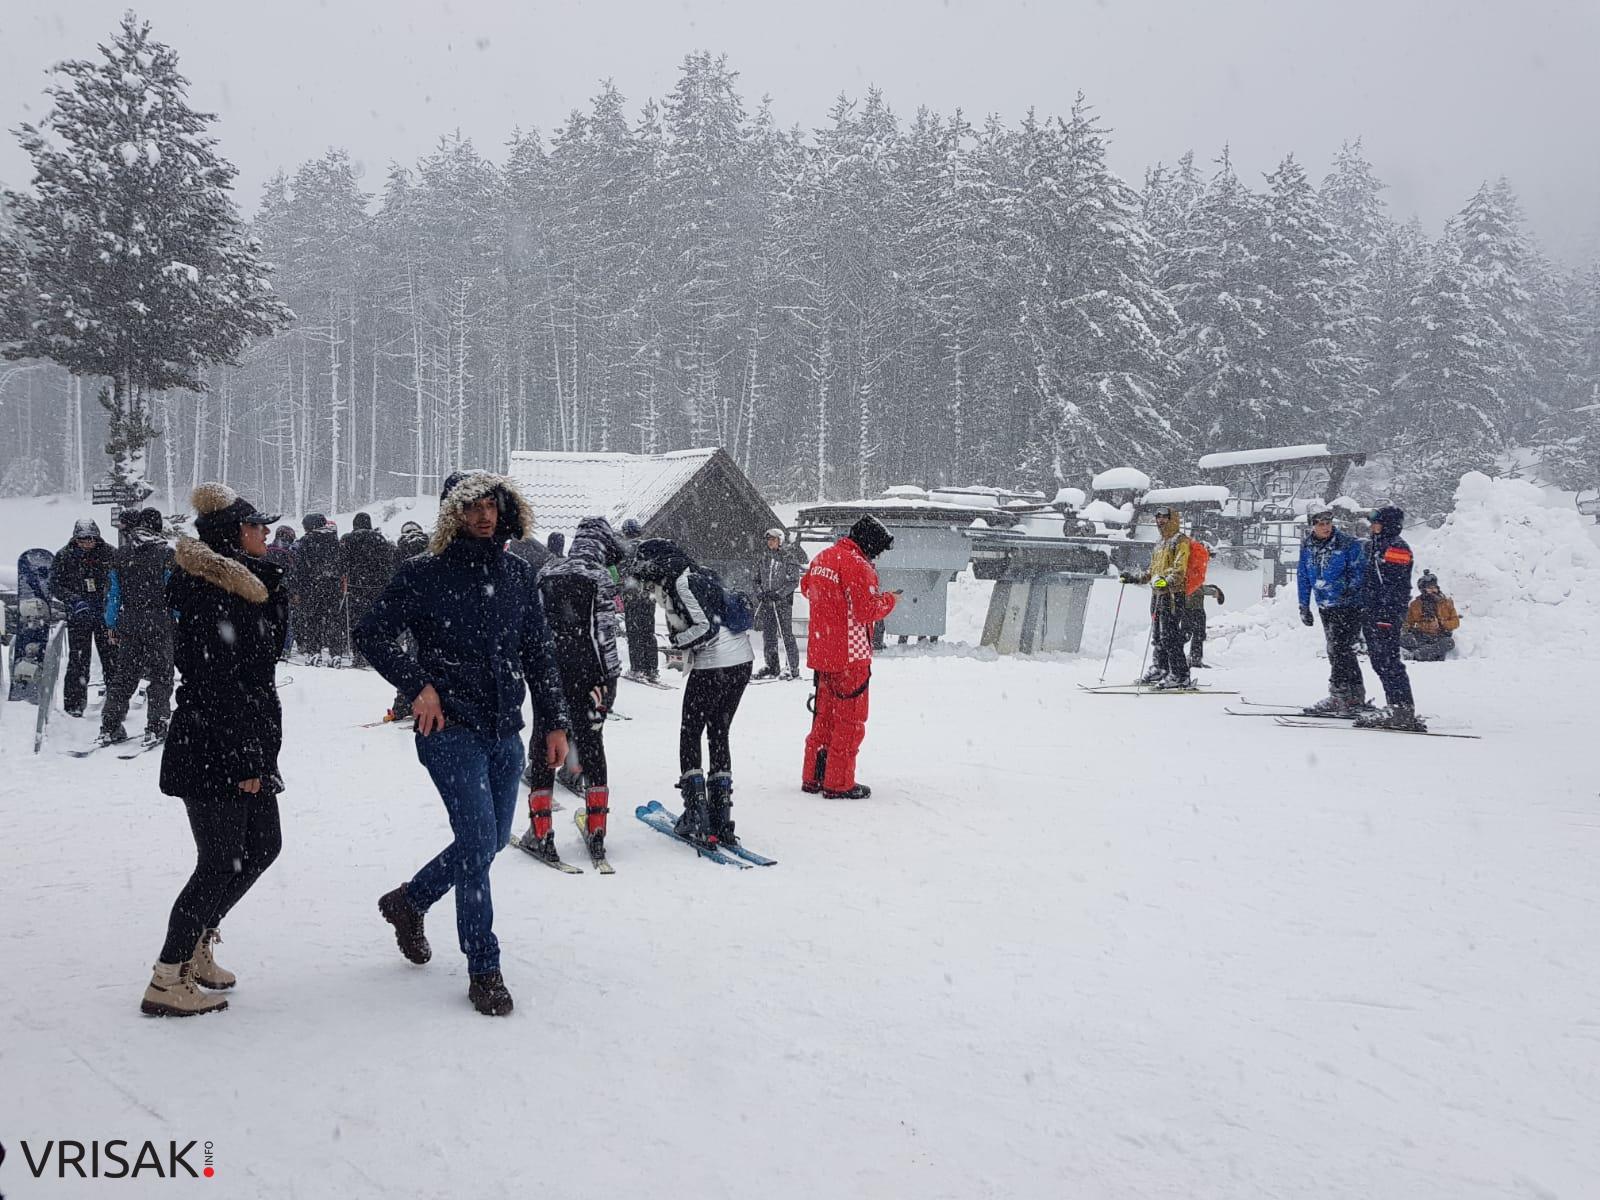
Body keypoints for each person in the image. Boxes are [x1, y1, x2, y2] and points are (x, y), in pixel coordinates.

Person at [354, 470, 570, 1017]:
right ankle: (484, 967)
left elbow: (539, 653)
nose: (483, 516)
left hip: (504, 729)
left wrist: (555, 722)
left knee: (493, 840)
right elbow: (371, 632)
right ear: (452, 512)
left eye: (491, 505)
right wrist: (416, 685)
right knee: (477, 842)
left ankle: (410, 900)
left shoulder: (518, 573)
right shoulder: (423, 574)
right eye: (470, 506)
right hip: (448, 729)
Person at [140, 483, 287, 1017]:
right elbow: (218, 683)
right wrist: (246, 757)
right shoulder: (209, 592)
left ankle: (200, 940)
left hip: (242, 742)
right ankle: (166, 978)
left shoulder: (244, 586)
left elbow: (257, 668)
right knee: (219, 861)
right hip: (214, 745)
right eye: (257, 527)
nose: (266, 534)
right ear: (231, 535)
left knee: (263, 845)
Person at [515, 516, 629, 868]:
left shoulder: (547, 572)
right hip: (589, 674)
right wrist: (609, 680)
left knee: (544, 744)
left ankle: (542, 830)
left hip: (549, 674)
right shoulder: (599, 578)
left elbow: (531, 628)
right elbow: (604, 633)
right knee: (592, 745)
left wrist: (530, 670)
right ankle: (596, 829)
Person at [628, 538, 754, 843]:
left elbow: (705, 628)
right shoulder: (696, 574)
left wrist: (675, 644)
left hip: (716, 664)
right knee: (718, 731)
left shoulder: (682, 582)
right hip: (740, 660)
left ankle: (697, 814)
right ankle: (721, 817)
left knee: (690, 731)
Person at [799, 515, 900, 799]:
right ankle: (838, 782)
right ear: (869, 544)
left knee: (823, 719)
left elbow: (807, 588)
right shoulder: (858, 566)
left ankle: (813, 777)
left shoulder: (822, 557)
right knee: (849, 722)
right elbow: (866, 611)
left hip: (821, 652)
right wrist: (889, 600)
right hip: (851, 656)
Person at [99, 507, 176, 747]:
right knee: (161, 676)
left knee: (125, 675)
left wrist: (111, 623)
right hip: (159, 622)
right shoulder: (166, 554)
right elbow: (172, 592)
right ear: (159, 527)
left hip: (129, 621)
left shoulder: (121, 555)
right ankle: (156, 726)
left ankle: (110, 725)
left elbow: (113, 594)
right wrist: (178, 618)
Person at [1353, 505, 1425, 731]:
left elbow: (1392, 584)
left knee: (1388, 661)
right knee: (1379, 660)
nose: (1372, 525)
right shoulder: (1378, 544)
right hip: (1374, 610)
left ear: (1389, 524)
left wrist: (1383, 610)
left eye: (1377, 522)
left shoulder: (1396, 547)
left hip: (1385, 612)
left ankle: (1401, 708)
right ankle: (1397, 706)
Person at [1297, 508, 1369, 715]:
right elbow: (1303, 576)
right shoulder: (1308, 546)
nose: (1325, 527)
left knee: (1339, 649)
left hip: (1348, 604)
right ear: (1313, 526)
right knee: (1339, 650)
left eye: (1328, 523)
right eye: (1320, 524)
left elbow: (1359, 570)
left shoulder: (1346, 543)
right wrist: (1304, 605)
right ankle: (1355, 693)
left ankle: (1339, 695)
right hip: (1325, 604)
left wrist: (1349, 589)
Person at [1118, 506, 1192, 689]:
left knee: (1171, 635)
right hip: (1158, 594)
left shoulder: (1180, 541)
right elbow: (1153, 572)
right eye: (1158, 518)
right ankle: (1161, 668)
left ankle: (1180, 674)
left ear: (1172, 519)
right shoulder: (1160, 543)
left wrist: (1166, 582)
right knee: (1158, 635)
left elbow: (1180, 570)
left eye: (1164, 518)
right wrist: (1135, 578)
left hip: (1173, 595)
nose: (1160, 521)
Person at [51, 517, 118, 717]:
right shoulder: (64, 556)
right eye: (83, 539)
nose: (87, 543)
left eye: (91, 538)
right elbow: (55, 584)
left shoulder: (110, 554)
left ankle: (116, 701)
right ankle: (74, 705)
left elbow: (119, 582)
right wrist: (74, 600)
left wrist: (109, 603)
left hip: (105, 615)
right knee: (78, 660)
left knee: (112, 658)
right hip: (79, 616)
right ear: (75, 538)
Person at [384, 520, 434, 721]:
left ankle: (404, 704)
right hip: (434, 612)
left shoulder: (400, 550)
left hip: (410, 611)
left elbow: (393, 578)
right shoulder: (432, 548)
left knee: (412, 659)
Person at [338, 512, 395, 668]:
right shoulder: (380, 539)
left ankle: (358, 654)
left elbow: (342, 563)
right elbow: (388, 563)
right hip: (377, 587)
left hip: (356, 587)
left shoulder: (348, 539)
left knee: (356, 621)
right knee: (374, 621)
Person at [753, 527, 808, 680]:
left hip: (782, 603)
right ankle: (772, 666)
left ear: (780, 541)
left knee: (786, 635)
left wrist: (779, 594)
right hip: (767, 603)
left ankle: (792, 667)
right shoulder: (764, 558)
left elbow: (793, 581)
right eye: (769, 540)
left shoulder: (788, 557)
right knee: (768, 635)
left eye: (774, 539)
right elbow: (756, 579)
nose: (771, 542)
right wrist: (760, 592)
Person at [291, 513, 345, 664]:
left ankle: (315, 651)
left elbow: (299, 568)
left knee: (313, 618)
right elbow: (342, 565)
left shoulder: (306, 541)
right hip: (333, 586)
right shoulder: (335, 541)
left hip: (311, 586)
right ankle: (336, 653)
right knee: (333, 619)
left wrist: (297, 590)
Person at [618, 517, 660, 683]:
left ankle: (637, 668)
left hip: (632, 596)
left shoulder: (625, 549)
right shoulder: (649, 548)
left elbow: (621, 573)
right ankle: (652, 669)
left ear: (625, 532)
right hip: (649, 596)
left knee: (634, 632)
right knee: (648, 632)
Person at [1180, 534, 1222, 669]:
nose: (1209, 559)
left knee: (1198, 633)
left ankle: (1195, 659)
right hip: (1189, 605)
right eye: (1209, 555)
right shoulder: (1192, 563)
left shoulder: (1195, 563)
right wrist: (1213, 591)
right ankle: (1174, 658)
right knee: (1186, 634)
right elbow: (1193, 587)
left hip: (1195, 605)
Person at [1402, 571, 1461, 662]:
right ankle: (1429, 653)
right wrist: (1418, 626)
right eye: (1429, 588)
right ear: (1423, 589)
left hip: (1439, 636)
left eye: (1434, 587)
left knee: (1449, 643)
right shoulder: (1415, 604)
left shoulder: (1446, 603)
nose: (1433, 590)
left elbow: (1456, 622)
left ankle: (1417, 655)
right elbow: (1407, 623)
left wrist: (1441, 623)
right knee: (1403, 639)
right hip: (1420, 636)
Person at [263, 526, 297, 658]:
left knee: (268, 617)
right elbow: (293, 574)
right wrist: (295, 591)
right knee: (287, 620)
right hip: (285, 589)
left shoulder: (267, 549)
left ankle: (269, 643)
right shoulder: (290, 552)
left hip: (266, 589)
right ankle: (285, 647)